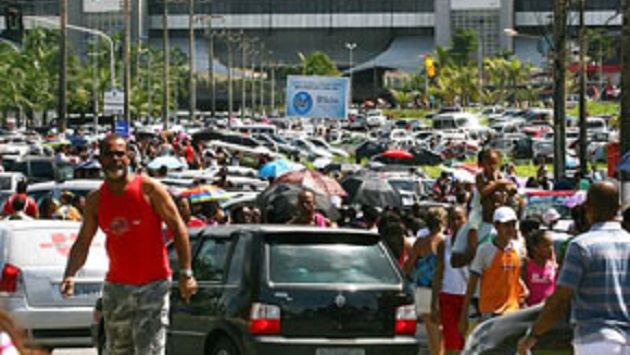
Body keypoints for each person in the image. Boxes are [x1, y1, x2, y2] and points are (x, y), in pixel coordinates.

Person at [60, 135, 197, 355]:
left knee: (149, 350)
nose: (115, 159)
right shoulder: (96, 200)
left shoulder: (149, 189)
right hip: (117, 288)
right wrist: (70, 274)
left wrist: (186, 273)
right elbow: (83, 241)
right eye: (109, 154)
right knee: (118, 351)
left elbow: (179, 228)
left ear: (129, 157)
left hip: (153, 285)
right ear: (100, 159)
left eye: (120, 154)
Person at [518, 182, 630, 355]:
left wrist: (533, 335)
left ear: (588, 208)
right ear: (619, 207)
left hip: (596, 340)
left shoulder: (582, 246)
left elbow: (561, 299)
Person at [459, 206, 528, 335]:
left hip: (513, 310)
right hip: (490, 312)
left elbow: (514, 276)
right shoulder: (484, 250)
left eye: (513, 224)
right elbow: (472, 284)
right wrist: (464, 315)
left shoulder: (518, 248)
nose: (510, 229)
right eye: (506, 225)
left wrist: (522, 291)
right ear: (496, 226)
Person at [404, 207, 447, 355]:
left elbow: (408, 267)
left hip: (423, 290)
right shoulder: (446, 242)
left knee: (431, 329)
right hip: (443, 289)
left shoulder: (420, 242)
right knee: (442, 329)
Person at [432, 206, 470, 354]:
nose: (456, 222)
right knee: (451, 343)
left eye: (459, 218)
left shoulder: (472, 245)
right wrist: (433, 301)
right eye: (452, 219)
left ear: (466, 220)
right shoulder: (444, 244)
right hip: (447, 297)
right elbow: (438, 273)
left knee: (466, 342)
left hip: (468, 298)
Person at [522, 230, 556, 307]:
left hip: (548, 310)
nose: (551, 249)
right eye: (546, 246)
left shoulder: (554, 267)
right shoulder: (527, 267)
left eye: (551, 245)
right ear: (535, 248)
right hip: (530, 310)